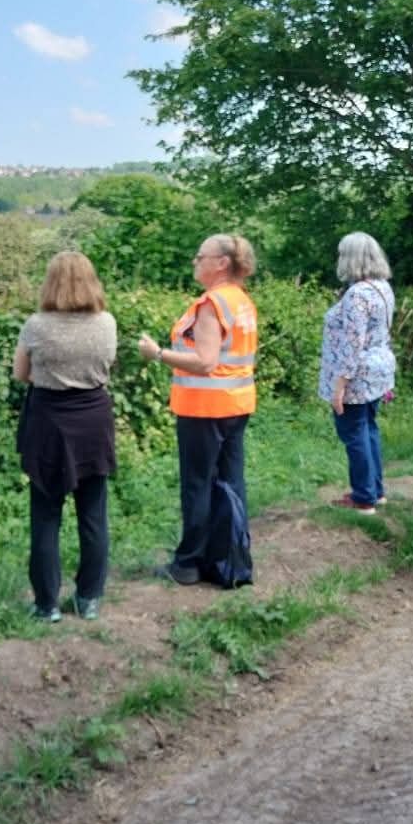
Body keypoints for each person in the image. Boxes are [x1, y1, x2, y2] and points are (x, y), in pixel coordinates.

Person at [138, 234, 258, 585]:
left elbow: (205, 362)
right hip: (236, 403)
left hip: (205, 408)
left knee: (198, 485)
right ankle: (231, 560)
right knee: (231, 483)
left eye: (200, 255)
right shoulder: (242, 301)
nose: (195, 261)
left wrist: (157, 353)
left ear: (221, 262)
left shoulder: (212, 304)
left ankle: (189, 563)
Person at [13, 252, 117, 622]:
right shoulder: (106, 323)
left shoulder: (36, 325)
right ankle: (88, 598)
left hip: (49, 426)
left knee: (45, 516)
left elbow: (21, 374)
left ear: (50, 281)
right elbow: (107, 367)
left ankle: (46, 605)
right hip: (93, 423)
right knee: (93, 515)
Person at [319, 232, 397, 515]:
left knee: (354, 431)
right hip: (378, 367)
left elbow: (352, 344)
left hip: (357, 373)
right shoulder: (382, 287)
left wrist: (339, 387)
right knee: (368, 427)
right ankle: (375, 490)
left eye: (342, 254)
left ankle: (363, 497)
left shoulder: (356, 295)